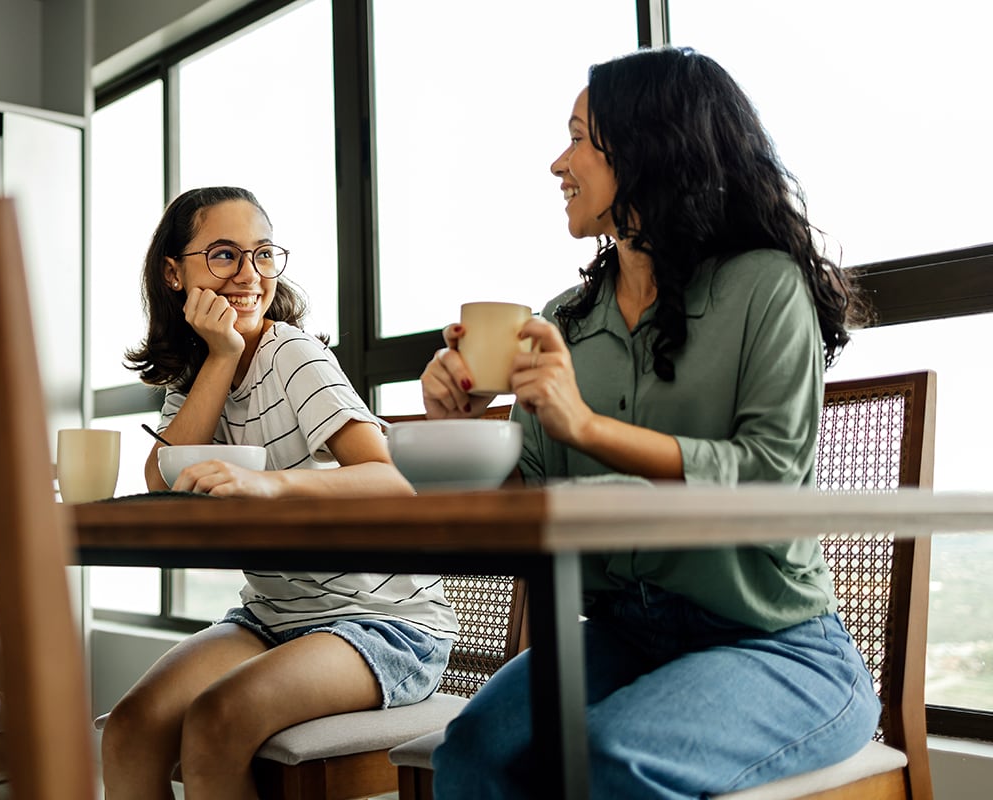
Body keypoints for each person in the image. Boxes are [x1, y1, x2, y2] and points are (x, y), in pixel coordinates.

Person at [420, 47, 878, 798]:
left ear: (647, 148)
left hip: (779, 647)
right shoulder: (565, 320)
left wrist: (588, 427)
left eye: (577, 137)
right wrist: (455, 432)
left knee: (613, 757)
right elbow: (531, 502)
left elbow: (769, 475)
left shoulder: (765, 286)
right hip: (627, 637)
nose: (556, 163)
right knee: (472, 753)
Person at [100, 186, 458, 799]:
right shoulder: (201, 367)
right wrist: (220, 356)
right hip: (273, 616)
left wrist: (267, 486)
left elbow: (392, 480)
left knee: (217, 721)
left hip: (383, 626)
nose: (249, 275)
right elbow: (160, 479)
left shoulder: (292, 353)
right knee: (129, 731)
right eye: (223, 255)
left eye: (263, 255)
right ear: (173, 273)